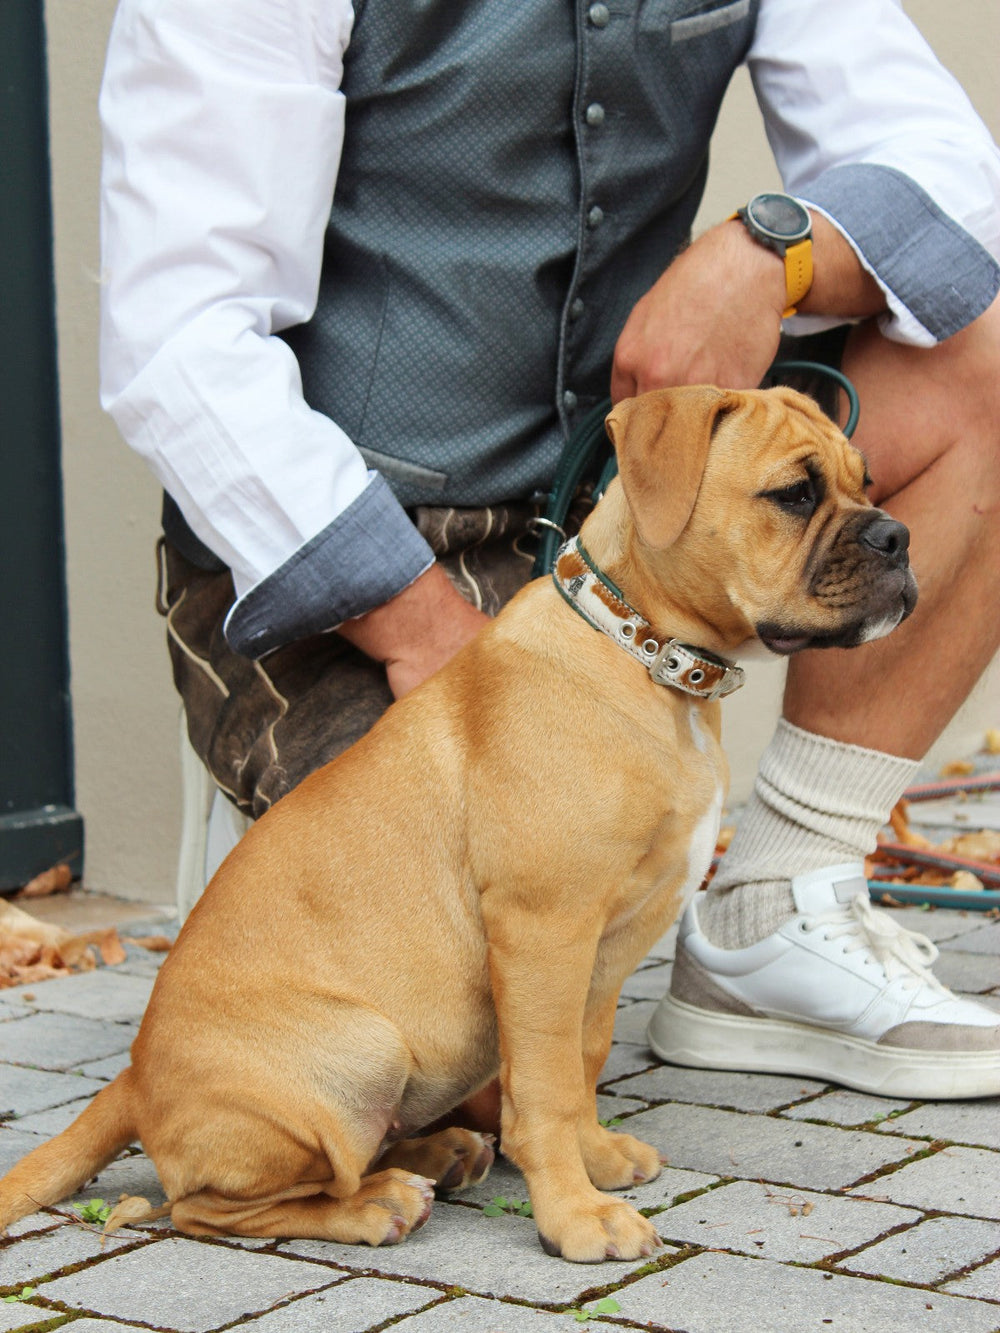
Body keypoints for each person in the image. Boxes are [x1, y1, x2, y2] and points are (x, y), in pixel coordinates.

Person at [98, 0, 1000, 1100]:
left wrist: (774, 251)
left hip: (635, 508)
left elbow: (952, 170)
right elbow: (176, 337)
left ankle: (779, 898)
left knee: (984, 356)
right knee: (444, 1037)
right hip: (374, 540)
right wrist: (422, 625)